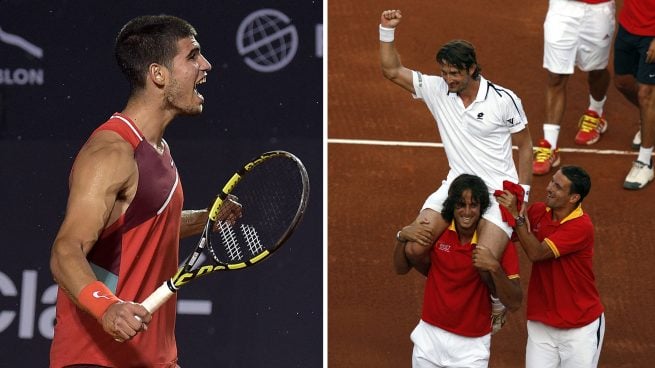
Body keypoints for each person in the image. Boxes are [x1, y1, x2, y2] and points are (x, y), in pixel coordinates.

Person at [49, 15, 237, 367]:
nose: (206, 65)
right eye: (193, 56)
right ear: (158, 75)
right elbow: (65, 250)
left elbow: (146, 229)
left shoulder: (158, 150)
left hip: (154, 358)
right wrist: (108, 308)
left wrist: (209, 216)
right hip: (95, 359)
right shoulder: (111, 152)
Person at [379, 8, 532, 326]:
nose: (448, 79)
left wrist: (523, 195)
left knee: (484, 262)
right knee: (415, 249)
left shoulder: (504, 100)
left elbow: (526, 145)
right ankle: (448, 284)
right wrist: (386, 30)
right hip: (455, 185)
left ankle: (494, 300)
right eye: (445, 72)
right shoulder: (438, 90)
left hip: (498, 191)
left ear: (473, 69)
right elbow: (392, 71)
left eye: (454, 74)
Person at [394, 174, 522, 368]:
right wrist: (401, 236)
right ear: (451, 206)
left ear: (482, 208)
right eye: (460, 205)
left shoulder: (497, 244)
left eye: (474, 205)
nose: (467, 212)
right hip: (428, 338)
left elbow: (515, 302)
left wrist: (494, 268)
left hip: (470, 349)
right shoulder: (438, 233)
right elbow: (401, 268)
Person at [496, 166, 605, 367]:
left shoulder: (580, 226)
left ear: (574, 198)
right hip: (542, 323)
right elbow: (508, 235)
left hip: (579, 327)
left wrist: (517, 217)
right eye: (551, 181)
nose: (549, 188)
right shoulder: (538, 212)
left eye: (558, 186)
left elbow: (537, 253)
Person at [532, 0, 616, 176]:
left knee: (596, 70)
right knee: (556, 75)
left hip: (598, 9)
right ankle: (550, 145)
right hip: (562, 9)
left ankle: (596, 112)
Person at [613, 0, 655, 189]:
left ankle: (645, 162)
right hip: (628, 26)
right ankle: (651, 121)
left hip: (651, 33)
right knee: (622, 82)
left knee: (646, 94)